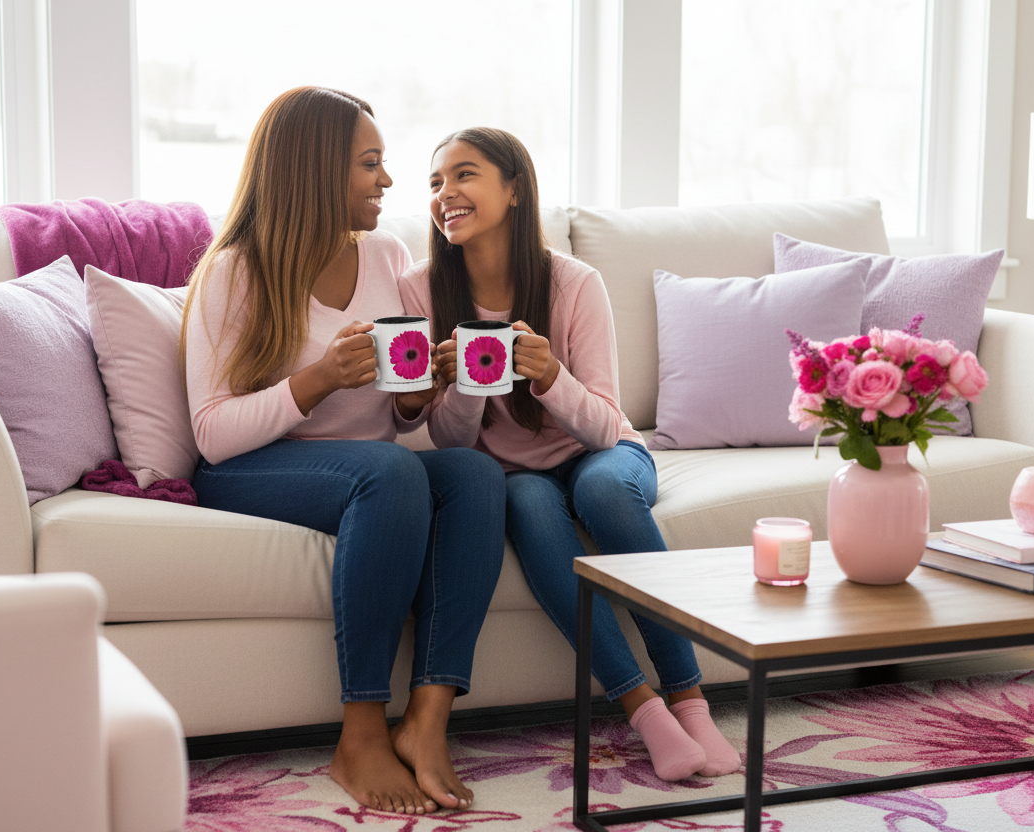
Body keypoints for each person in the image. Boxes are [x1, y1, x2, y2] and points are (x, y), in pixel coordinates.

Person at [180, 88, 505, 814]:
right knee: (391, 473)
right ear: (314, 170)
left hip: (369, 469)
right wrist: (320, 377)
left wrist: (422, 394)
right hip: (252, 470)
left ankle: (427, 720)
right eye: (370, 163)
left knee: (476, 475)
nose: (388, 181)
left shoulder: (389, 256)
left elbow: (398, 413)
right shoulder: (233, 271)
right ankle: (359, 733)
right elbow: (211, 433)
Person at [398, 127, 741, 782]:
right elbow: (452, 443)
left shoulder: (574, 282)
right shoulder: (420, 291)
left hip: (603, 453)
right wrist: (466, 387)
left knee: (603, 491)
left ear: (514, 189)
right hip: (512, 473)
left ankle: (692, 701)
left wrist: (551, 377)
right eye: (436, 182)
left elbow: (608, 425)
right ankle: (645, 711)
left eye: (464, 175)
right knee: (525, 496)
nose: (446, 194)